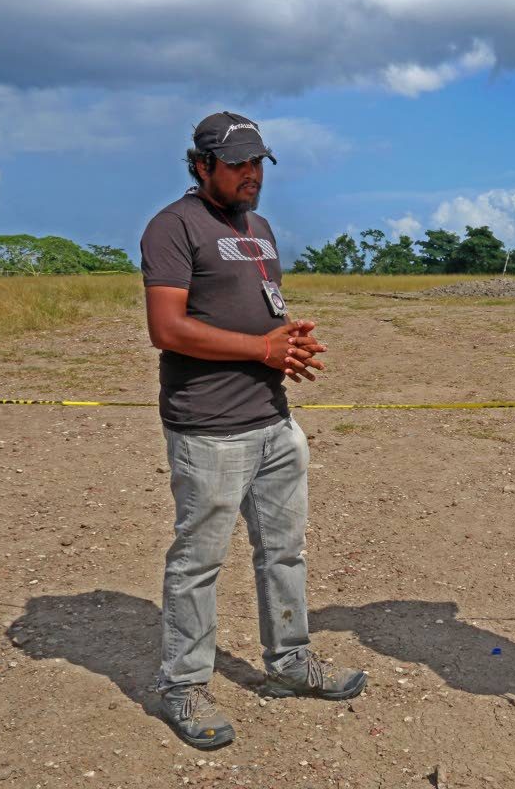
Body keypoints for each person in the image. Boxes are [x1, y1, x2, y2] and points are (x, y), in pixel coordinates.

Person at [140, 111, 366, 750]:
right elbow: (169, 329)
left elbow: (259, 311)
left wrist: (287, 344)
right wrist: (260, 350)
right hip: (209, 428)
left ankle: (291, 661)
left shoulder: (259, 228)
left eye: (258, 163)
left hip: (273, 421)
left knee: (285, 550)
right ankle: (185, 687)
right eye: (236, 163)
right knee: (198, 562)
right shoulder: (172, 227)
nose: (250, 175)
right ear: (201, 165)